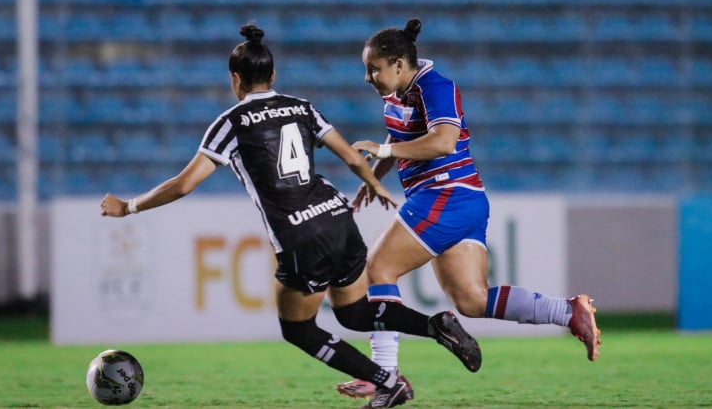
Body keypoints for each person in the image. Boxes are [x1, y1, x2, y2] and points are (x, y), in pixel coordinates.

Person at [99, 24, 482, 409]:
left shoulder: (231, 122)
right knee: (355, 312)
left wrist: (128, 206)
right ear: (273, 74)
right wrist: (374, 184)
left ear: (235, 79)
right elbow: (351, 156)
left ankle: (388, 381)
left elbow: (184, 184)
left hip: (300, 233)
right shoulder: (302, 107)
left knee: (298, 329)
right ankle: (434, 326)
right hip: (337, 217)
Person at [335, 18, 602, 399]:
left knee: (379, 268)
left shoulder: (436, 86)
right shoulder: (397, 93)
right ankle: (568, 311)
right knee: (472, 300)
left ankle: (385, 376)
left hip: (445, 194)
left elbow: (443, 142)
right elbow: (400, 134)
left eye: (373, 68)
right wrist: (373, 178)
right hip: (462, 200)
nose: (368, 77)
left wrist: (383, 150)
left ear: (398, 64)